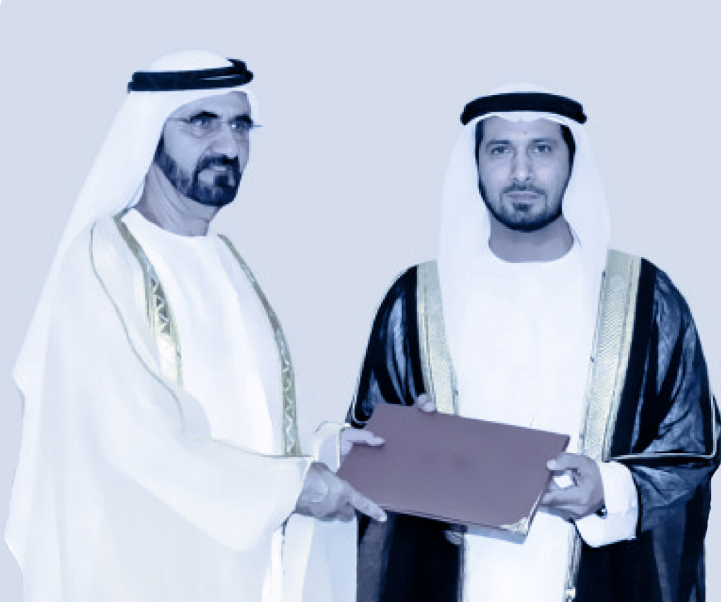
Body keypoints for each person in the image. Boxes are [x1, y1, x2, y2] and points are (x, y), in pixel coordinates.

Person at [6, 50, 384, 602]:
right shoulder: (103, 258)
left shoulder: (227, 260)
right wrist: (295, 486)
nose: (229, 145)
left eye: (240, 125)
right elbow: (133, 438)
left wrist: (329, 453)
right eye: (202, 122)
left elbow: (243, 427)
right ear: (150, 132)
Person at [346, 85, 720, 602]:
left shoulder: (643, 297)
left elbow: (691, 446)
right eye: (500, 150)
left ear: (572, 160)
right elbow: (363, 444)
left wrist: (610, 489)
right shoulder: (417, 300)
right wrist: (407, 437)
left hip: (602, 581)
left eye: (542, 149)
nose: (521, 172)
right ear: (475, 162)